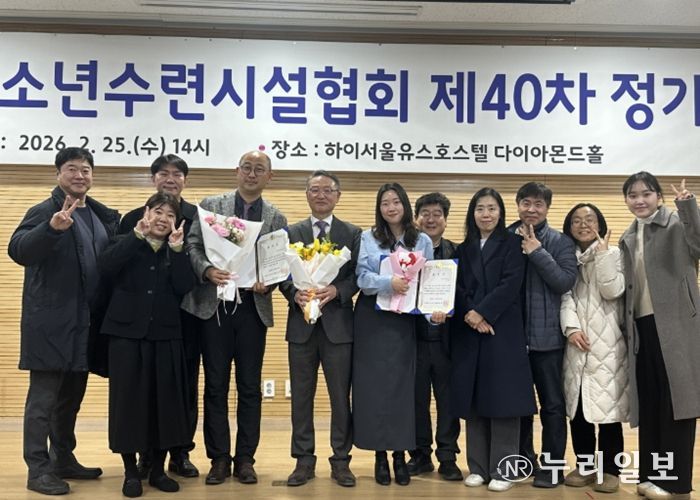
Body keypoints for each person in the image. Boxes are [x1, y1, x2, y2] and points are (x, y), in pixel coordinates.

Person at [8, 147, 119, 495]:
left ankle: (63, 458)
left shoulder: (100, 216)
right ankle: (37, 469)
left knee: (71, 399)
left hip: (85, 325)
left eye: (85, 169)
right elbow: (18, 250)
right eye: (72, 169)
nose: (79, 175)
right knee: (42, 402)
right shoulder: (44, 211)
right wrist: (51, 229)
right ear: (58, 174)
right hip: (51, 324)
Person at [182, 150, 287, 486]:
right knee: (215, 385)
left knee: (249, 387)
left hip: (252, 308)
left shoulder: (276, 216)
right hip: (214, 306)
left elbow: (279, 262)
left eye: (259, 169)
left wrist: (268, 282)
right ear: (236, 171)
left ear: (269, 177)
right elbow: (193, 246)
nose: (252, 174)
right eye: (247, 167)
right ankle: (218, 459)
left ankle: (245, 459)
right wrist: (207, 270)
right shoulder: (212, 206)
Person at [99, 192, 195, 498]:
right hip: (126, 337)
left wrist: (177, 249)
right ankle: (131, 472)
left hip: (166, 336)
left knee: (164, 406)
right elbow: (106, 267)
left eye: (170, 215)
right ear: (146, 213)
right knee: (128, 405)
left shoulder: (176, 250)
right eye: (158, 212)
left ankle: (157, 471)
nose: (163, 219)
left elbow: (185, 286)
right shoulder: (125, 241)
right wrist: (136, 236)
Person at [118, 154, 201, 479]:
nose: (170, 179)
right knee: (142, 391)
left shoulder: (198, 218)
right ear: (153, 179)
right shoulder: (133, 219)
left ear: (185, 180)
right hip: (139, 323)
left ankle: (180, 453)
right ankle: (145, 458)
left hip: (186, 317)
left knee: (182, 388)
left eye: (177, 174)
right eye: (163, 173)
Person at [618, 173, 700, 500]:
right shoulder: (628, 235)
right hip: (642, 328)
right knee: (651, 403)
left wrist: (688, 206)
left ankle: (676, 484)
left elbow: (699, 244)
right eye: (632, 195)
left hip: (676, 326)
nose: (639, 200)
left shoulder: (677, 223)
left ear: (659, 197)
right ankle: (653, 476)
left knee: (677, 404)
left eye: (647, 193)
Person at [352, 182, 438, 487]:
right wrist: (389, 283)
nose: (391, 207)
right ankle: (379, 456)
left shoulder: (422, 240)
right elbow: (362, 278)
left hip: (404, 322)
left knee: (403, 389)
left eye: (396, 202)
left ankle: (400, 455)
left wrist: (435, 313)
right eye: (385, 203)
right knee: (373, 389)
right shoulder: (368, 237)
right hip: (372, 320)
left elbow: (428, 284)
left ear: (405, 205)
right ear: (379, 208)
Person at [280, 170, 362, 487]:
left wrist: (338, 290)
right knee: (301, 397)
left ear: (338, 196)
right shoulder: (291, 232)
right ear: (307, 194)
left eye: (328, 190)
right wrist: (293, 293)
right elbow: (280, 274)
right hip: (300, 326)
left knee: (340, 397)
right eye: (315, 189)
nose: (321, 195)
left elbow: (357, 276)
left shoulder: (352, 233)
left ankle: (341, 460)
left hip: (338, 327)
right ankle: (303, 460)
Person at [451, 187, 536, 493]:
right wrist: (470, 315)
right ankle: (478, 467)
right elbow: (457, 287)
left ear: (501, 212)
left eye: (491, 208)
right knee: (475, 400)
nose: (485, 214)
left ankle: (505, 468)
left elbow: (511, 284)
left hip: (503, 329)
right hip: (470, 330)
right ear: (472, 214)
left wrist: (483, 312)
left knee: (504, 400)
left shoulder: (514, 244)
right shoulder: (463, 249)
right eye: (480, 209)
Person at [508, 181, 577, 488]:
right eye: (526, 203)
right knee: (518, 407)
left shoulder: (560, 242)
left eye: (538, 204)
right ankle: (524, 461)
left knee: (553, 407)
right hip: (511, 340)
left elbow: (564, 282)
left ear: (547, 208)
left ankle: (552, 467)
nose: (531, 209)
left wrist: (537, 252)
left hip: (547, 340)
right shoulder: (505, 238)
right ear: (518, 205)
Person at [560, 203, 628, 493]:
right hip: (577, 344)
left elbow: (613, 291)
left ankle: (611, 470)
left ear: (600, 224)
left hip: (609, 344)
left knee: (608, 410)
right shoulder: (567, 258)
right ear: (569, 227)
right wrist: (571, 328)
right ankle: (585, 466)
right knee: (578, 410)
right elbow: (564, 297)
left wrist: (602, 256)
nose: (583, 224)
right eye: (576, 220)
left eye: (589, 219)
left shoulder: (614, 254)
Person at [408, 192, 462, 481]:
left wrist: (451, 310)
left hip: (447, 341)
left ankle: (448, 456)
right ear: (416, 219)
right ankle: (420, 455)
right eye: (425, 214)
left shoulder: (458, 252)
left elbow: (465, 294)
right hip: (414, 339)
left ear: (445, 219)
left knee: (447, 401)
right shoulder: (406, 254)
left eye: (437, 214)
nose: (431, 219)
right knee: (416, 401)